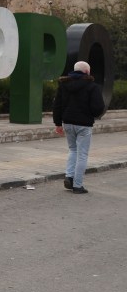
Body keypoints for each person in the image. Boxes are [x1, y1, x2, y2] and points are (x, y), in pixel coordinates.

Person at [53, 60, 106, 194]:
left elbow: (57, 105)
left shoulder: (64, 84)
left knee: (72, 150)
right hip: (84, 125)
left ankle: (69, 177)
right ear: (87, 72)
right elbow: (99, 107)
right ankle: (77, 185)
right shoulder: (92, 86)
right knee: (82, 154)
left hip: (68, 123)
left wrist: (58, 123)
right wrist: (93, 115)